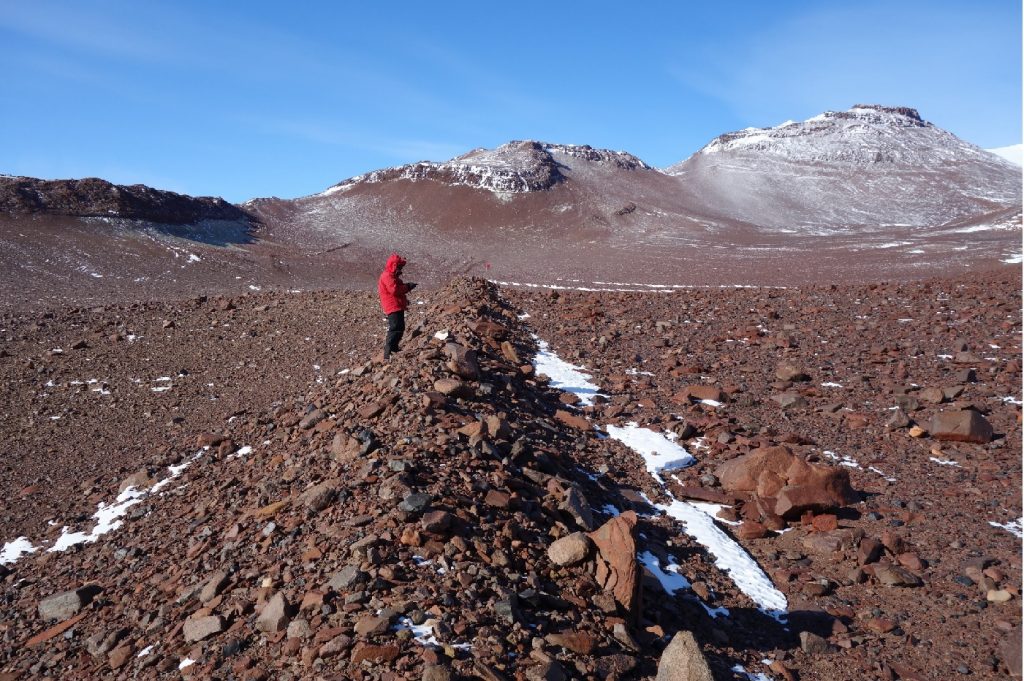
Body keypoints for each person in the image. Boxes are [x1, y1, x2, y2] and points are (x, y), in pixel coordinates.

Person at [377, 253, 416, 359]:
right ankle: (388, 352)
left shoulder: (391, 275)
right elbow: (394, 290)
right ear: (394, 265)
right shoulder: (387, 275)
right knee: (395, 327)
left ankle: (393, 349)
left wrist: (404, 298)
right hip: (392, 306)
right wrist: (407, 287)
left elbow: (396, 290)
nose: (400, 269)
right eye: (399, 267)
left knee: (399, 327)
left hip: (395, 305)